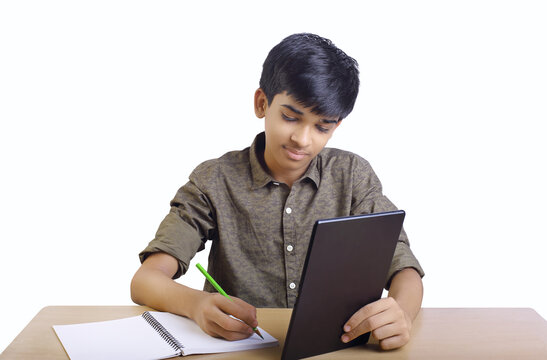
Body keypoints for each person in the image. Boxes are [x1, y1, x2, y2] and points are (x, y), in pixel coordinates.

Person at [131, 33, 424, 350]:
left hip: (336, 347)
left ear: (335, 126)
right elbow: (145, 281)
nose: (302, 138)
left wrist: (402, 313)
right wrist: (196, 304)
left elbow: (404, 267)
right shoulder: (214, 180)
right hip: (240, 348)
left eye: (321, 127)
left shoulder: (352, 176)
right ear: (261, 103)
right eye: (289, 117)